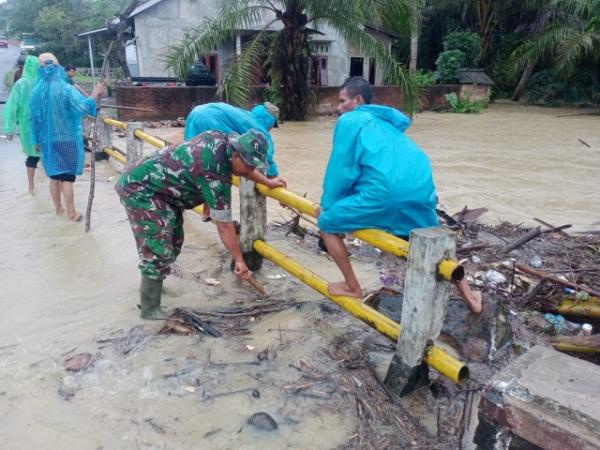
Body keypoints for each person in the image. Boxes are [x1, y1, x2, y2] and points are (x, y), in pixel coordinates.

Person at [315, 77, 482, 314]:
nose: (338, 107)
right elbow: (373, 167)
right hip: (421, 193)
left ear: (358, 100)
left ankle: (352, 286)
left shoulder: (351, 120)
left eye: (342, 101)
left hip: (385, 194)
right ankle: (472, 299)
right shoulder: (388, 126)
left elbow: (341, 171)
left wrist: (327, 206)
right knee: (435, 246)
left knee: (327, 223)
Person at [116, 129, 287, 320]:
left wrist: (268, 182)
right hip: (140, 189)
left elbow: (245, 168)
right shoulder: (214, 173)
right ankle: (149, 310)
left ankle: (154, 287)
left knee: (174, 241)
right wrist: (239, 259)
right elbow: (224, 224)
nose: (249, 171)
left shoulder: (223, 140)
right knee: (158, 248)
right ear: (236, 154)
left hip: (165, 194)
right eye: (248, 165)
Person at [29, 53, 105, 221]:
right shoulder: (65, 88)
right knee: (67, 177)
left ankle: (58, 209)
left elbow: (33, 119)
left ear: (40, 70)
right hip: (67, 138)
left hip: (47, 140)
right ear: (57, 68)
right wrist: (95, 93)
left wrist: (35, 140)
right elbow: (83, 107)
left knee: (54, 176)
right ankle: (72, 213)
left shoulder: (36, 92)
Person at [183, 102, 283, 220]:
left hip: (195, 114)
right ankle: (215, 214)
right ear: (270, 121)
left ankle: (203, 209)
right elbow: (266, 158)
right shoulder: (259, 130)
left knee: (198, 163)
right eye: (273, 125)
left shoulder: (244, 115)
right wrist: (278, 188)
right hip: (210, 120)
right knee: (226, 164)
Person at [3, 55, 39, 194]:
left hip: (26, 125)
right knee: (47, 155)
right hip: (44, 125)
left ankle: (31, 186)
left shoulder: (20, 84)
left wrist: (9, 129)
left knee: (31, 156)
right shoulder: (43, 82)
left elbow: (12, 107)